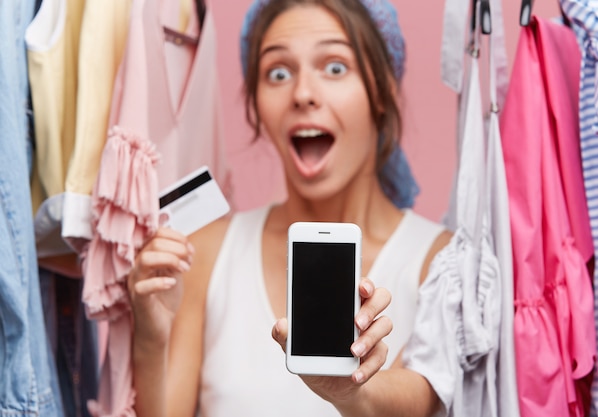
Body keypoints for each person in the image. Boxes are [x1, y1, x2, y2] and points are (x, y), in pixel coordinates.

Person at [127, 0, 452, 416]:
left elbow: (420, 398)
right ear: (257, 106)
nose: (302, 94)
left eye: (335, 67)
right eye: (278, 73)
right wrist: (151, 339)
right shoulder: (205, 253)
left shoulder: (440, 263)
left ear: (384, 90)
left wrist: (351, 392)